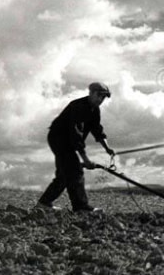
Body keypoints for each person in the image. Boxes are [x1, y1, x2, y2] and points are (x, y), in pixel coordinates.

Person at [37, 82, 115, 212]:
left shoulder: (95, 110)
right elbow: (76, 134)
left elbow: (97, 130)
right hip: (59, 138)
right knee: (75, 171)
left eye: (103, 97)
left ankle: (44, 203)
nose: (101, 100)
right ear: (91, 93)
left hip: (68, 142)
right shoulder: (78, 106)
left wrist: (107, 149)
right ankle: (80, 207)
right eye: (99, 96)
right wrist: (85, 159)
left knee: (65, 174)